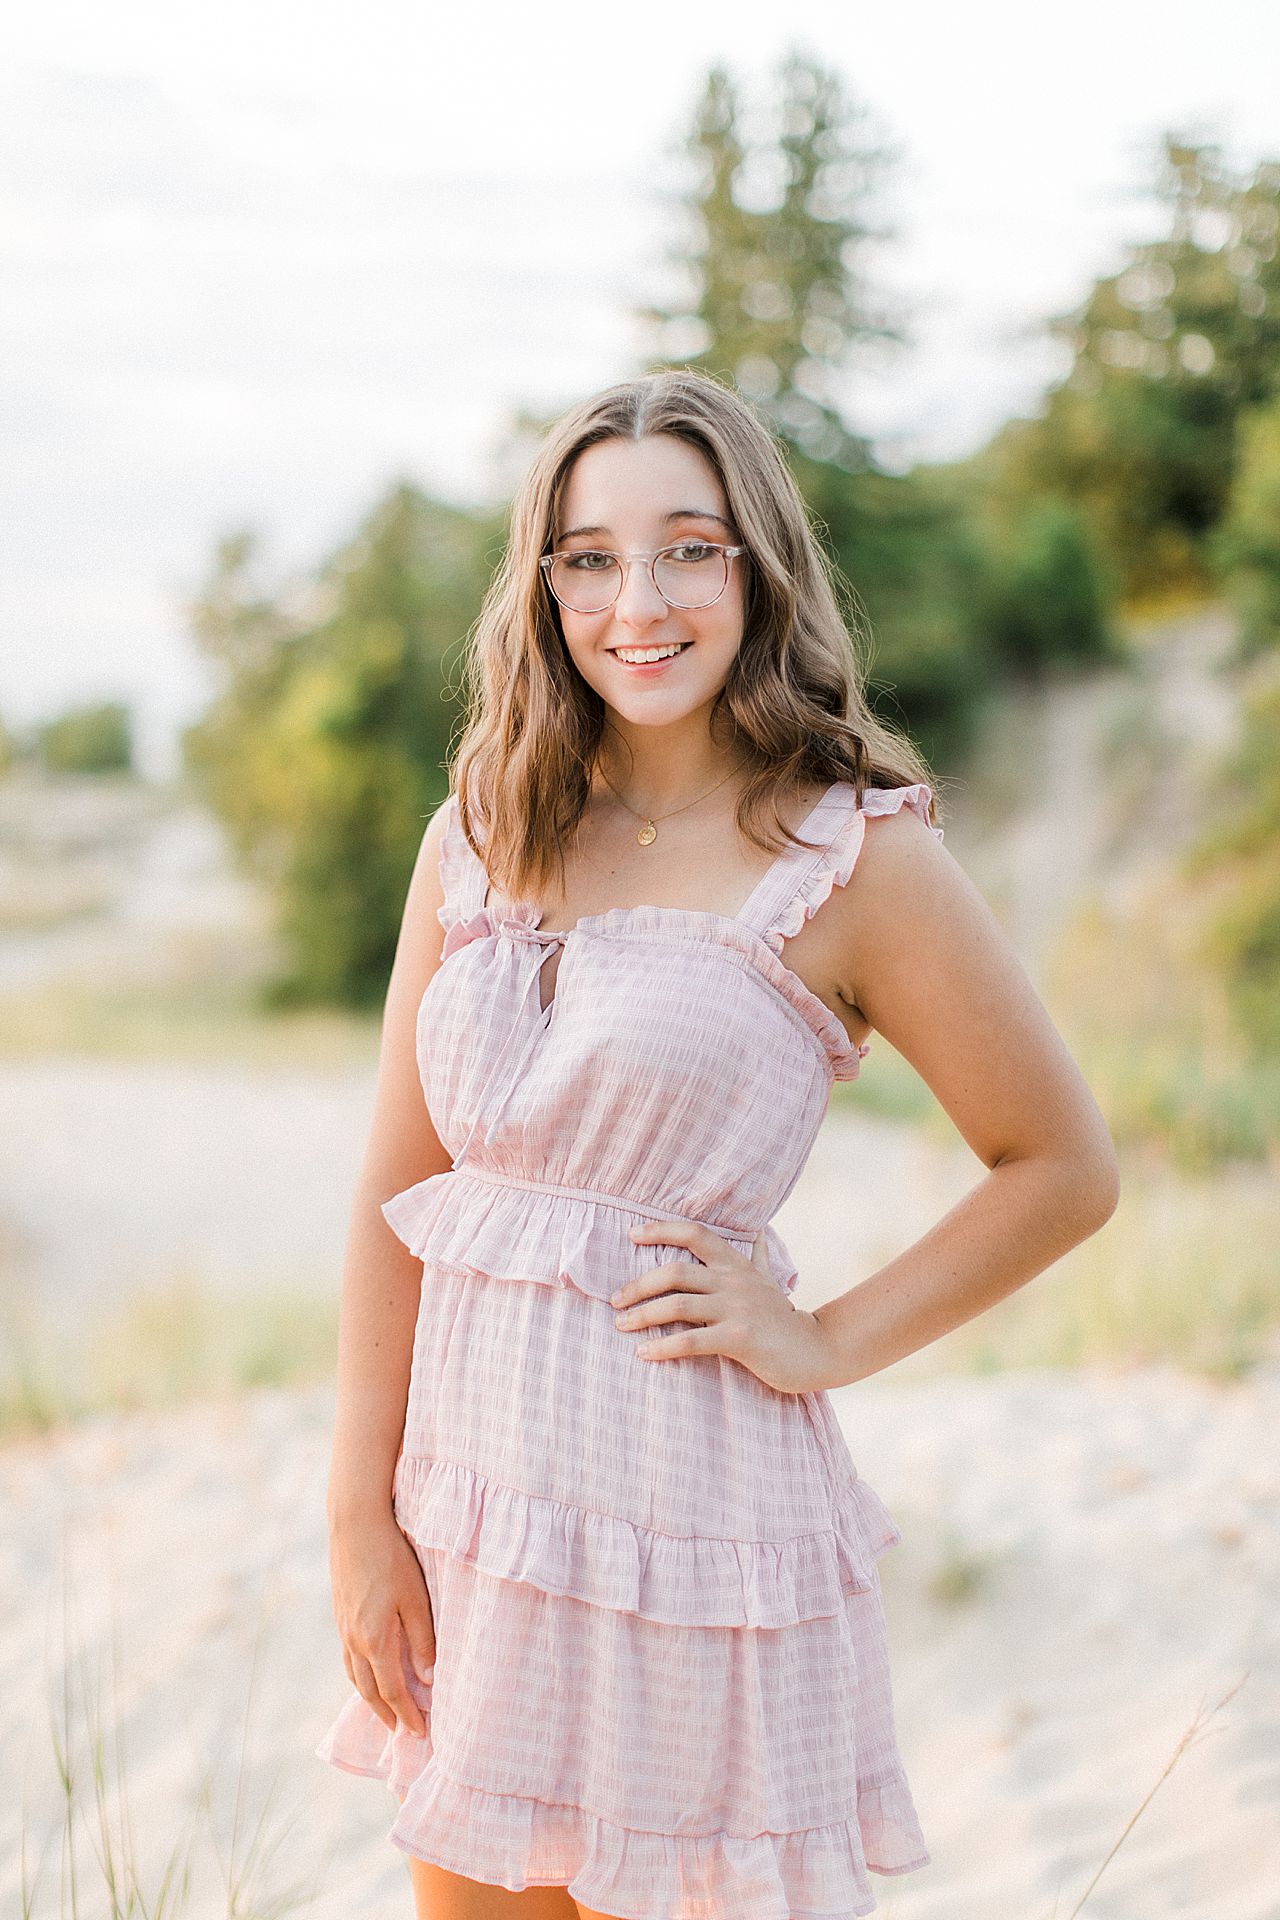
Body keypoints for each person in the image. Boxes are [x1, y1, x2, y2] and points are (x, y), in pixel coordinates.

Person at [315, 367, 1120, 1920]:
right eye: (592, 558)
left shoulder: (856, 856)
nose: (643, 601)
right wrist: (361, 1513)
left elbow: (1061, 1166)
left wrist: (820, 1336)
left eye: (691, 547)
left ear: (757, 564)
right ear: (546, 590)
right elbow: (393, 1194)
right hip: (474, 1519)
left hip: (700, 1549)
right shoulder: (477, 827)